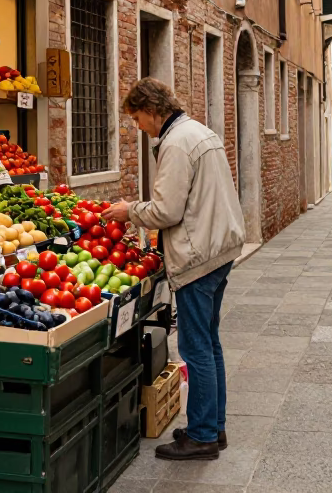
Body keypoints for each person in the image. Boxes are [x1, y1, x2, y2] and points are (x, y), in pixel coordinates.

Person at [103, 78, 245, 461]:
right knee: (209, 343)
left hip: (199, 255)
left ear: (152, 109)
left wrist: (128, 210)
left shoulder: (176, 143)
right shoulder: (199, 131)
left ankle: (200, 437)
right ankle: (213, 428)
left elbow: (167, 210)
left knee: (195, 347)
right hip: (220, 247)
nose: (137, 126)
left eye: (136, 117)